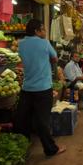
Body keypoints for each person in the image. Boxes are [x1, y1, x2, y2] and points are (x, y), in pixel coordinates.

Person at [14, 19, 66, 156]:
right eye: (42, 29)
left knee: (23, 120)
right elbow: (54, 58)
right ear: (36, 31)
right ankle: (50, 149)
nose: (44, 32)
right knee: (42, 121)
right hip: (43, 89)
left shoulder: (21, 44)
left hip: (26, 88)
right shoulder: (44, 43)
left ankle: (23, 148)